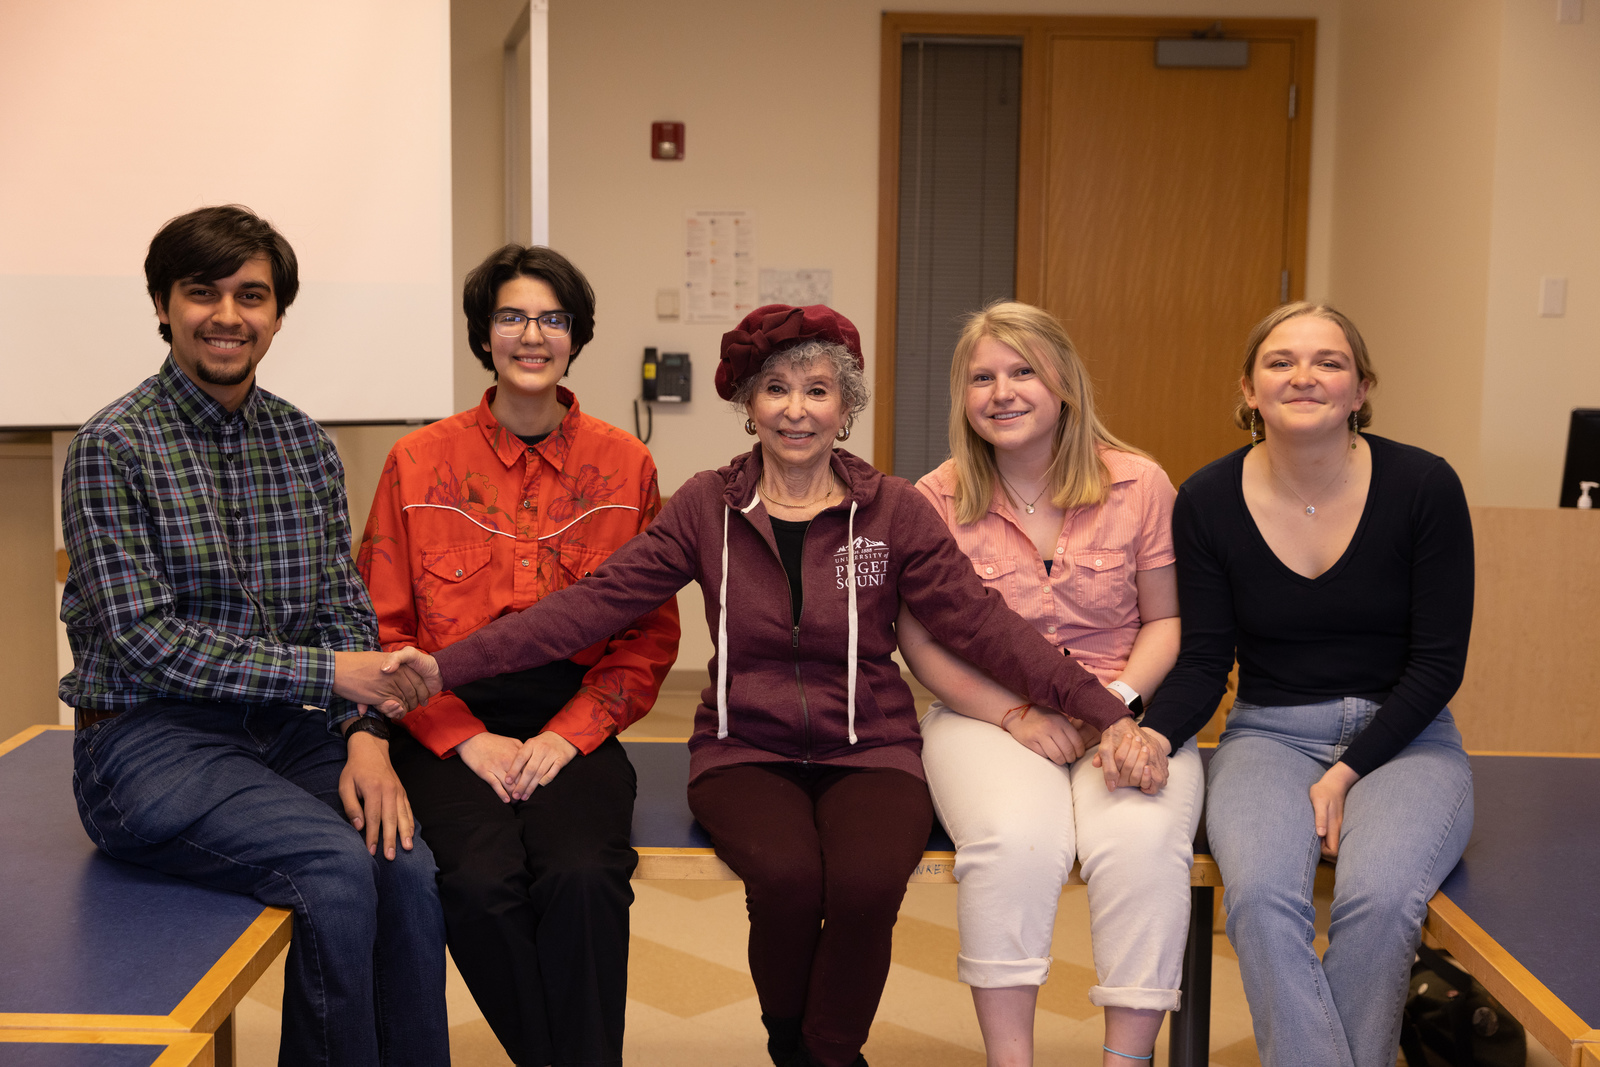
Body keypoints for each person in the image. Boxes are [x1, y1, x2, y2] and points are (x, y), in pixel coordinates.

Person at [378, 303, 1150, 1067]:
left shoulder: (893, 511)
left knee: (866, 879)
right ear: (747, 402)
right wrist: (446, 667)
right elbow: (585, 608)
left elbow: (986, 626)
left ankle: (825, 1052)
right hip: (742, 749)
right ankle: (798, 1046)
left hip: (871, 745)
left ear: (845, 406)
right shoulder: (704, 506)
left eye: (818, 390)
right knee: (784, 876)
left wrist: (1105, 711)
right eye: (774, 388)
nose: (796, 409)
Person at [60, 205, 445, 1067]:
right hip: (147, 745)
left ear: (277, 314)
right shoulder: (111, 447)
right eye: (202, 293)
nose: (227, 315)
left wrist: (367, 739)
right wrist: (331, 675)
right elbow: (144, 640)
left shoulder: (305, 442)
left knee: (407, 868)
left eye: (251, 295)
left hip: (286, 734)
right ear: (164, 306)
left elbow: (345, 609)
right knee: (336, 868)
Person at [356, 243, 680, 1067]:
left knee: (582, 876)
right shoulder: (418, 460)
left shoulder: (626, 463)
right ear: (484, 334)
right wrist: (466, 736)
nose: (531, 335)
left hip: (573, 715)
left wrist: (565, 736)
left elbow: (647, 635)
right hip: (443, 713)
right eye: (512, 316)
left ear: (575, 336)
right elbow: (385, 629)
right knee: (476, 884)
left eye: (552, 318)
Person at [1139, 302, 1475, 1066]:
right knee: (1258, 901)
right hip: (1268, 732)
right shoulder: (1207, 499)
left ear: (1361, 389)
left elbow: (1438, 664)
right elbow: (1202, 661)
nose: (1304, 376)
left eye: (1328, 361)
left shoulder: (1426, 485)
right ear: (1249, 390)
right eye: (1281, 361)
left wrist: (1348, 772)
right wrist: (1154, 730)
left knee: (1383, 901)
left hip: (1408, 737)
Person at [896, 302, 1203, 1066]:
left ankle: (1125, 1059)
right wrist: (1012, 714)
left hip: (1123, 706)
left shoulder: (1139, 483)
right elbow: (920, 639)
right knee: (1014, 843)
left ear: (1063, 380)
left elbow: (1166, 622)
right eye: (981, 378)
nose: (1002, 392)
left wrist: (1121, 707)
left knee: (1142, 842)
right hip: (987, 714)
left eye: (1022, 370)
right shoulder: (931, 498)